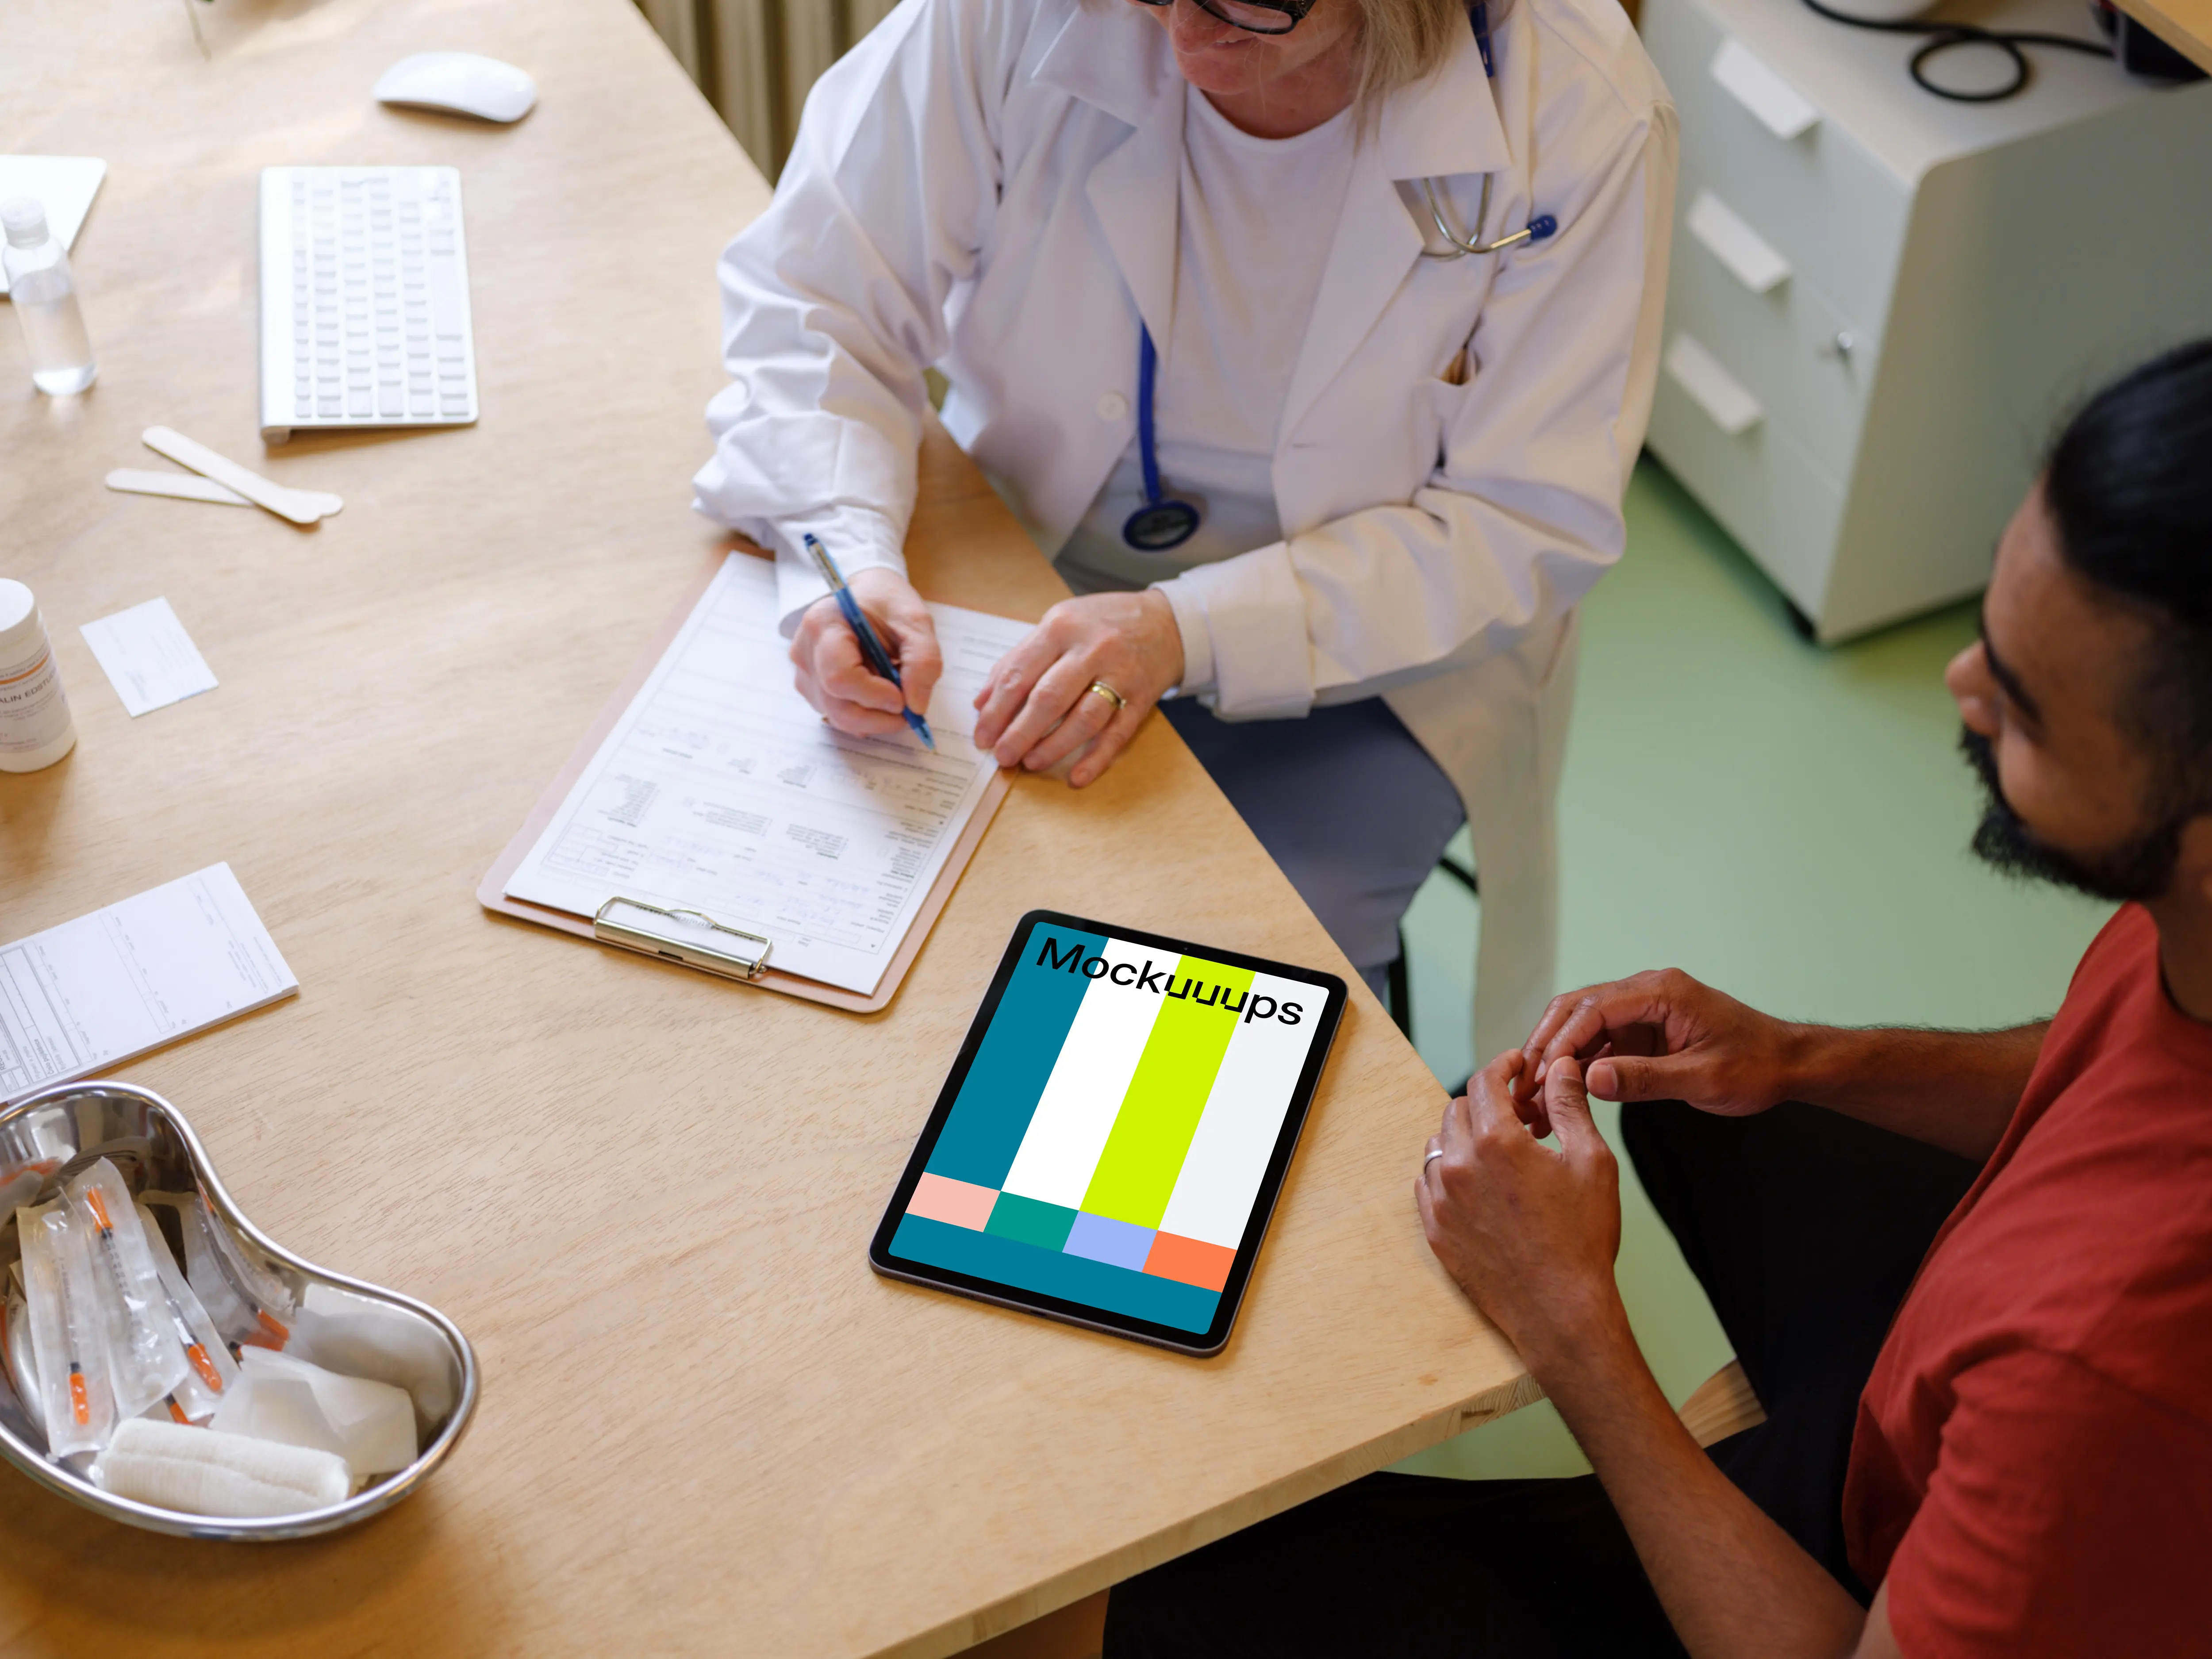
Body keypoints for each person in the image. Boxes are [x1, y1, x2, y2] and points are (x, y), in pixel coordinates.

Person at [1103, 341, 2212, 1657]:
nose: (1958, 684)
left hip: (1864, 1592)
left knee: (1180, 1602)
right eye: (1992, 621)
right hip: (1944, 1384)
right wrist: (1801, 1057)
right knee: (1697, 1107)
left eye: (2022, 709)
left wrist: (1572, 1328)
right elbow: (2103, 1062)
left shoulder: (2111, 1379)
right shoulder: (2185, 928)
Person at [693, 0, 1677, 1054]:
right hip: (1030, 555)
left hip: (1382, 664)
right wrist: (847, 552)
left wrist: (1184, 630)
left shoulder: (1577, 105)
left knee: (1204, 1035)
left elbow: (1519, 522)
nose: (1181, 31)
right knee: (901, 955)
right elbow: (816, 296)